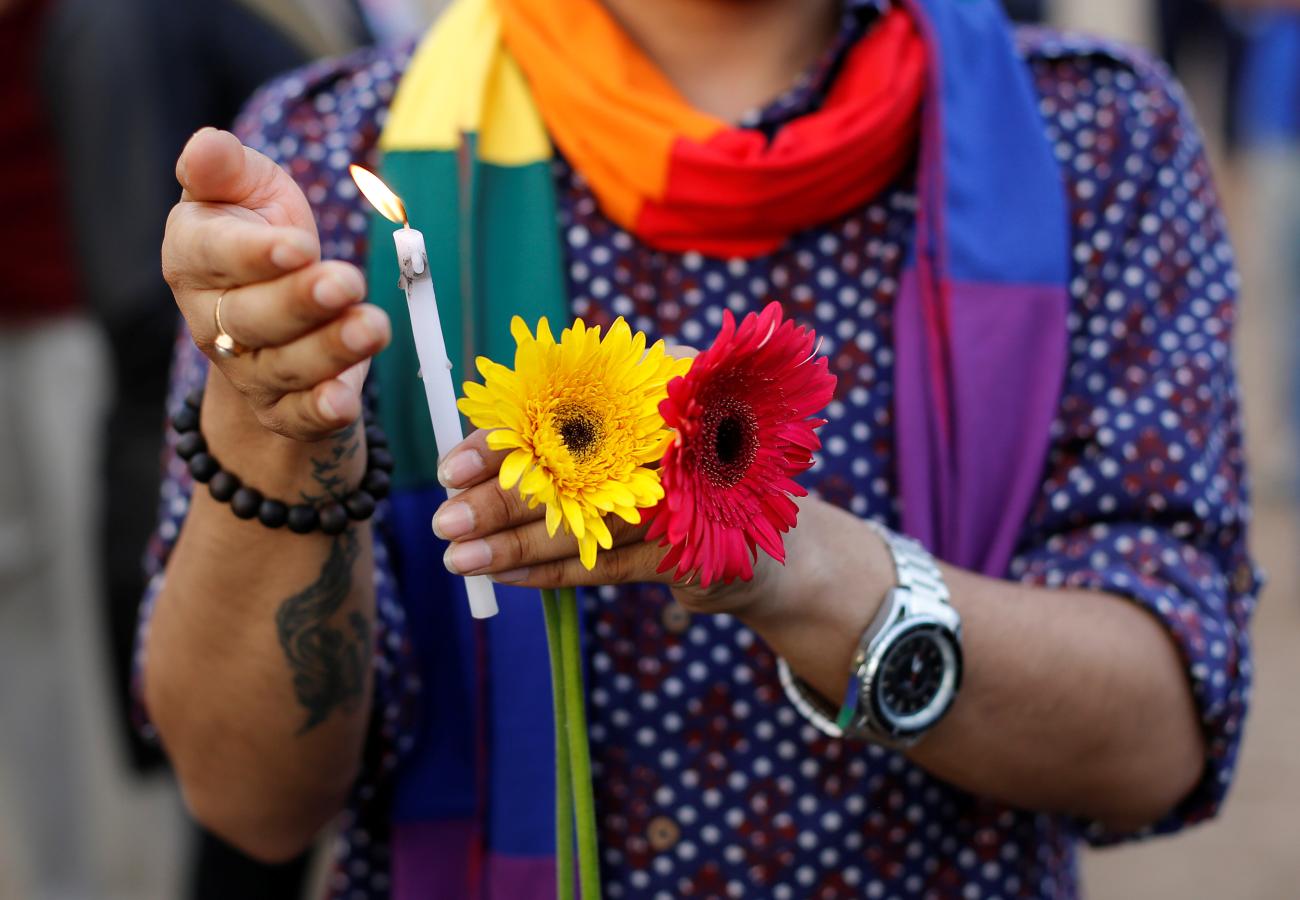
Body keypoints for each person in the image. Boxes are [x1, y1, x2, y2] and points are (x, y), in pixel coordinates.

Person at [142, 0, 1259, 897]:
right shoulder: (331, 153)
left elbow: (1160, 739)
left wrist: (806, 568)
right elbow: (249, 801)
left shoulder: (1091, 137)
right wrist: (274, 426)